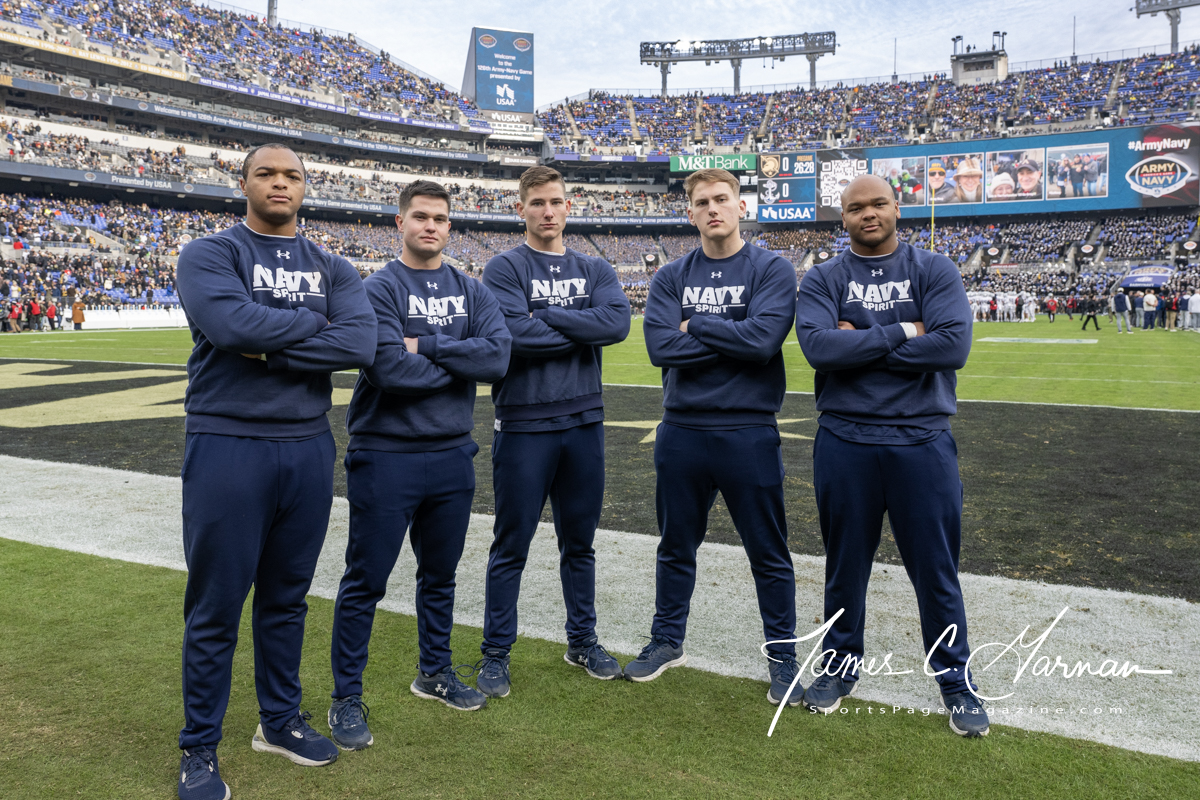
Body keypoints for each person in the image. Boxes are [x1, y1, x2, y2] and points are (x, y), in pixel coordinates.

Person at [173, 143, 377, 800]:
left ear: (305, 186)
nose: (280, 183)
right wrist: (313, 324)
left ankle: (279, 722)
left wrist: (275, 348)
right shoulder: (210, 254)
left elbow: (360, 342)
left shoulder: (333, 265)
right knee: (216, 604)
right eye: (266, 173)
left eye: (292, 175)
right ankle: (199, 747)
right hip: (228, 442)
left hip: (309, 444)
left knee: (287, 598)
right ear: (244, 184)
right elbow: (230, 326)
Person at [795, 174, 987, 737]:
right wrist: (907, 329)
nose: (869, 214)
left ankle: (955, 680)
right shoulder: (824, 277)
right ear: (843, 217)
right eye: (856, 207)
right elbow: (820, 349)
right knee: (844, 567)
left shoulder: (935, 269)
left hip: (921, 440)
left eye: (879, 203)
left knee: (936, 570)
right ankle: (838, 666)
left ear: (897, 207)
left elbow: (953, 345)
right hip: (845, 440)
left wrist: (860, 340)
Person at [327, 180, 512, 745]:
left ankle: (434, 672)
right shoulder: (378, 288)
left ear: (450, 227)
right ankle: (345, 698)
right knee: (366, 580)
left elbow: (497, 358)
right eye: (421, 216)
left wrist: (426, 346)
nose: (431, 226)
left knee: (440, 576)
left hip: (453, 453)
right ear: (400, 223)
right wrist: (459, 361)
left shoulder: (472, 288)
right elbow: (388, 370)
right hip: (386, 453)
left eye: (440, 218)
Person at [629, 168, 800, 705]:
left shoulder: (771, 268)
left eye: (722, 199)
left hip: (749, 429)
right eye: (702, 202)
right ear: (691, 213)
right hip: (682, 430)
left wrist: (696, 325)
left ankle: (783, 656)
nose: (713, 209)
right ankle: (666, 640)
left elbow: (764, 342)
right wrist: (736, 335)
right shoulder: (671, 275)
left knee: (768, 552)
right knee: (675, 545)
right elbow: (660, 348)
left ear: (740, 206)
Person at [476, 166, 631, 698]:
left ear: (569, 207)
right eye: (538, 202)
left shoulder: (594, 266)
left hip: (584, 422)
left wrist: (544, 313)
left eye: (556, 202)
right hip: (524, 423)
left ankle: (582, 641)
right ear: (520, 208)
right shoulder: (503, 266)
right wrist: (580, 320)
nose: (548, 211)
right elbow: (512, 335)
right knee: (511, 545)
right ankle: (496, 653)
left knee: (579, 544)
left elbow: (616, 324)